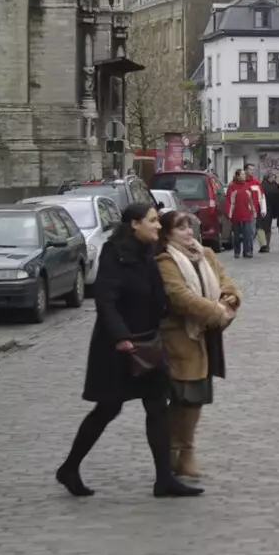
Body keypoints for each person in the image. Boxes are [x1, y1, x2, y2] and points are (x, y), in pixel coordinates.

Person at [57, 203, 202, 498]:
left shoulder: (148, 252)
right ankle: (69, 468)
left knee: (157, 408)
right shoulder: (114, 254)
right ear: (134, 224)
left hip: (148, 342)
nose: (158, 226)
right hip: (118, 348)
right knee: (107, 409)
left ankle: (164, 479)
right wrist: (121, 337)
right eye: (152, 221)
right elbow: (105, 301)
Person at [154, 210, 239, 479]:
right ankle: (176, 452)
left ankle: (183, 452)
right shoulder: (165, 260)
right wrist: (216, 312)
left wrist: (229, 301)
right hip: (180, 338)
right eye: (181, 228)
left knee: (197, 396)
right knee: (184, 397)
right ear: (167, 233)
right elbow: (180, 297)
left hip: (206, 337)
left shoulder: (205, 254)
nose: (188, 233)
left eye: (189, 227)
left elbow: (227, 283)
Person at [223, 168, 261, 259]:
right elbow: (228, 200)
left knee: (247, 234)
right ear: (237, 176)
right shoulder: (232, 186)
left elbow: (251, 200)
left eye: (244, 174)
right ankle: (237, 251)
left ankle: (247, 251)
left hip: (247, 214)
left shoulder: (247, 186)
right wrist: (229, 213)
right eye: (242, 174)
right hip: (236, 214)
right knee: (236, 235)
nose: (244, 176)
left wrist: (254, 211)